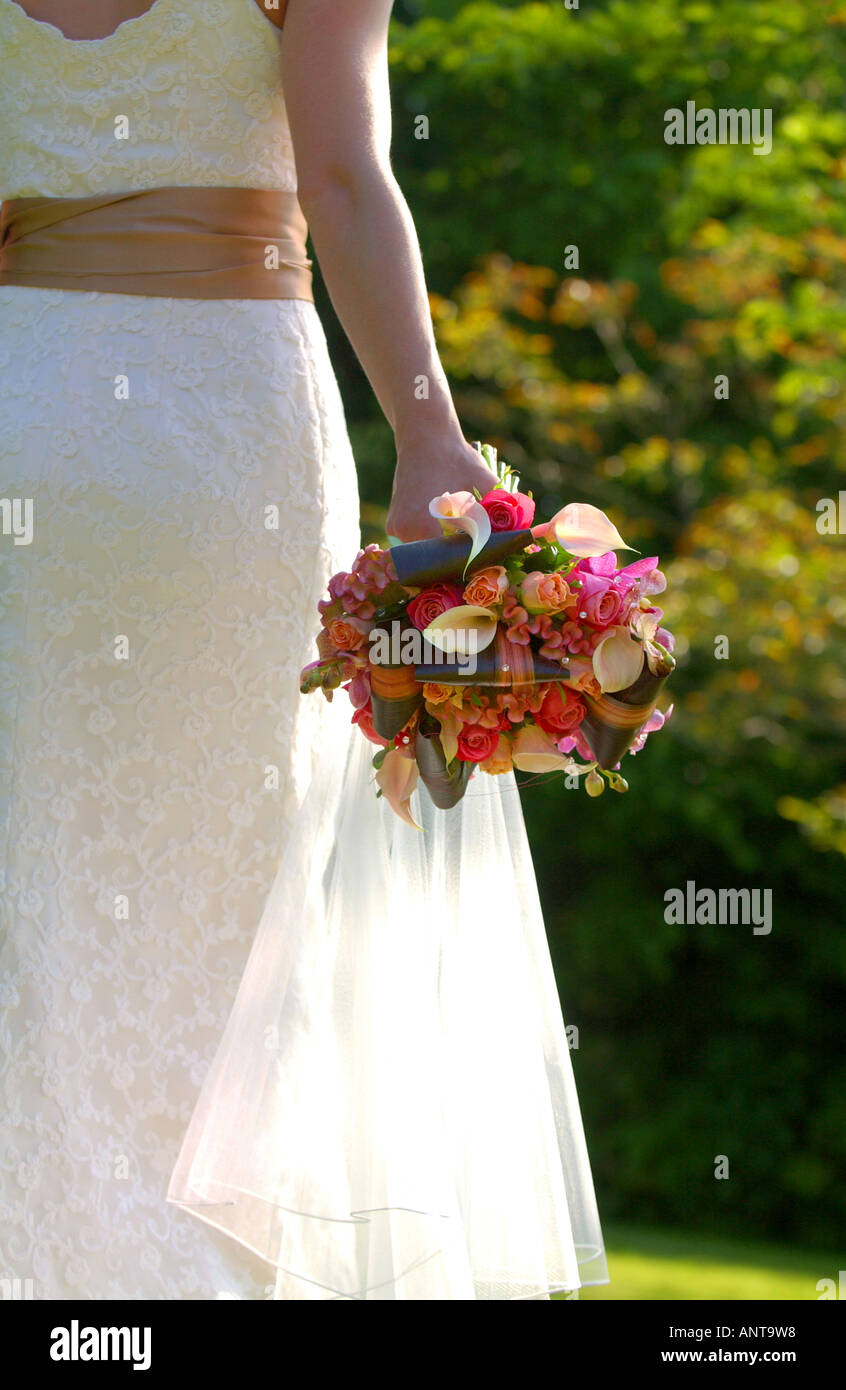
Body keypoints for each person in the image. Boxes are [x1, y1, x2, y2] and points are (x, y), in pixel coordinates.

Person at [0, 0, 609, 1299]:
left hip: (23, 425)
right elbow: (341, 176)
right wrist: (430, 433)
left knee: (31, 881)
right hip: (222, 444)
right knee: (232, 896)